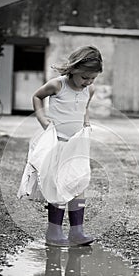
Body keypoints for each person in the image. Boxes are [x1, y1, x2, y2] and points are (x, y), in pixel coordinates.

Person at [20, 45, 103, 247]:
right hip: (57, 143)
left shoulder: (89, 89)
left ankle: (77, 232)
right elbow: (37, 97)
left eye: (93, 78)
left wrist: (86, 123)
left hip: (77, 146)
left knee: (78, 184)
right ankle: (54, 232)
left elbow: (84, 108)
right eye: (85, 77)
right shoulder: (58, 85)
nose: (88, 82)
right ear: (74, 69)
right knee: (57, 186)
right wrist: (41, 118)